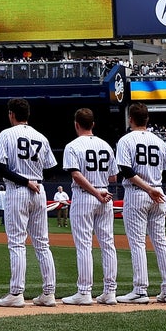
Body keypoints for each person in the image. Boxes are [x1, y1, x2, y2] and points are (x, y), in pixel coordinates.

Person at [0, 98, 58, 308]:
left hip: (18, 190)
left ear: (11, 114)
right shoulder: (41, 137)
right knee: (42, 244)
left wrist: (24, 179)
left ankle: (16, 293)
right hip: (39, 191)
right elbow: (52, 169)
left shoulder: (7, 134)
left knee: (17, 243)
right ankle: (49, 293)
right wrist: (33, 177)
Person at [114, 102, 166, 303]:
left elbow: (125, 169)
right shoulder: (159, 141)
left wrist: (147, 188)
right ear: (147, 119)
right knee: (160, 241)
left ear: (130, 119)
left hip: (137, 193)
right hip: (158, 193)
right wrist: (154, 185)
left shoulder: (126, 140)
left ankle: (140, 290)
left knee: (138, 243)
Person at [60, 107, 118, 306]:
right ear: (93, 124)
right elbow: (113, 176)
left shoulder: (73, 146)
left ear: (76, 124)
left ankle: (84, 292)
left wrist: (95, 191)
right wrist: (100, 187)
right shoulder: (106, 145)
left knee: (84, 245)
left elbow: (75, 174)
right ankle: (110, 292)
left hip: (86, 196)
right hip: (105, 194)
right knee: (107, 244)